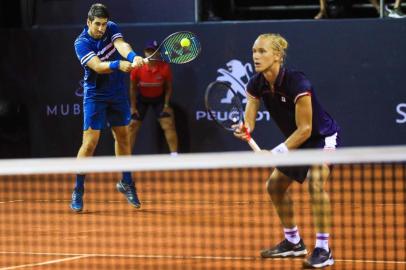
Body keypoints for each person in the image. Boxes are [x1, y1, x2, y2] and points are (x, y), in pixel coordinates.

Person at [234, 33, 340, 268]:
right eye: (254, 51)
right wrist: (245, 129)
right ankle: (293, 242)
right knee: (274, 186)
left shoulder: (298, 83)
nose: (256, 56)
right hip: (297, 142)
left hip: (320, 138)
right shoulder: (256, 83)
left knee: (315, 183)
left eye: (262, 51)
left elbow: (305, 129)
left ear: (278, 55)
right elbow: (249, 120)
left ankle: (324, 248)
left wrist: (274, 154)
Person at [71, 3, 144, 212]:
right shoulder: (81, 43)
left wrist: (132, 57)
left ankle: (126, 182)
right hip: (95, 95)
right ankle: (78, 188)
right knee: (90, 143)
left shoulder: (111, 27)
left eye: (104, 24)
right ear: (88, 22)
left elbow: (121, 45)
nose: (102, 28)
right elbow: (97, 66)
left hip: (117, 93)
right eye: (97, 24)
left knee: (123, 136)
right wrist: (118, 65)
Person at [128, 40, 178, 156]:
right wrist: (133, 107)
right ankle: (126, 156)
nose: (150, 53)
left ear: (158, 53)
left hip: (159, 99)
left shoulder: (164, 67)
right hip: (142, 99)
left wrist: (166, 105)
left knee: (168, 124)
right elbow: (133, 88)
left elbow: (168, 88)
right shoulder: (137, 68)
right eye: (148, 51)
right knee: (132, 125)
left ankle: (175, 156)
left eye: (153, 51)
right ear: (145, 52)